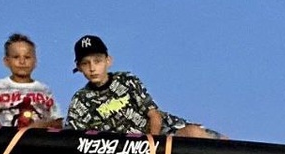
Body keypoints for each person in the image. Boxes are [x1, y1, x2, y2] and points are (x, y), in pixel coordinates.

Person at [65, 35, 221, 138]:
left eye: (97, 61)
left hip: (162, 133)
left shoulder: (127, 80)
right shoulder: (80, 101)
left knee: (200, 134)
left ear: (108, 61)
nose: (92, 68)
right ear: (79, 67)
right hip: (125, 151)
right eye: (86, 63)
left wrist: (152, 143)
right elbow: (72, 138)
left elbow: (154, 115)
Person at [0, 33, 63, 129]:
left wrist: (42, 125)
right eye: (16, 57)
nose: (22, 62)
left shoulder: (43, 90)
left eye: (27, 57)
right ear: (6, 61)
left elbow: (58, 121)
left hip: (36, 137)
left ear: (35, 61)